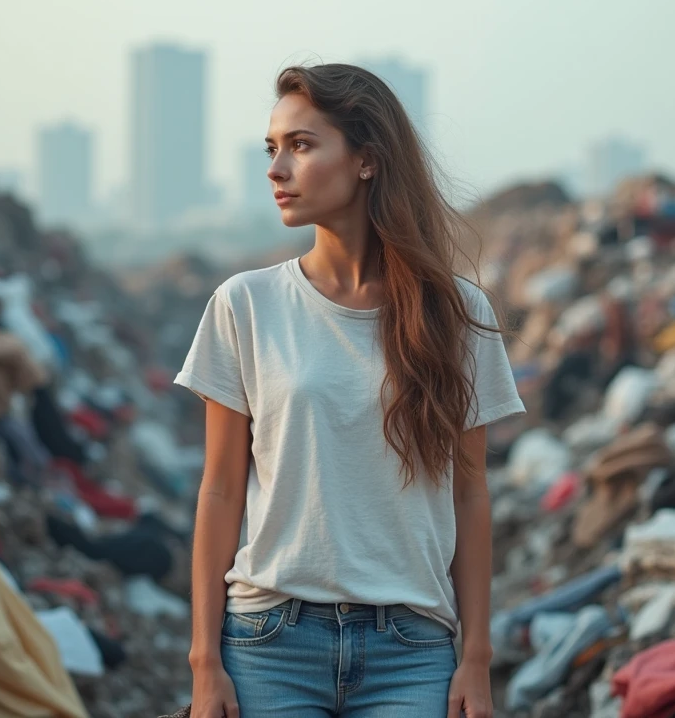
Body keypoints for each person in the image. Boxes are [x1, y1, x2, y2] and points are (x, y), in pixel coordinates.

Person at [176, 63, 525, 718]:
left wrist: (475, 659)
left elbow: (471, 491)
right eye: (272, 149)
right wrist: (204, 662)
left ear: (366, 160)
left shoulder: (456, 314)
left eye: (302, 145)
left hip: (413, 649)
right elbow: (220, 488)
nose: (277, 169)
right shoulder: (245, 305)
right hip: (268, 642)